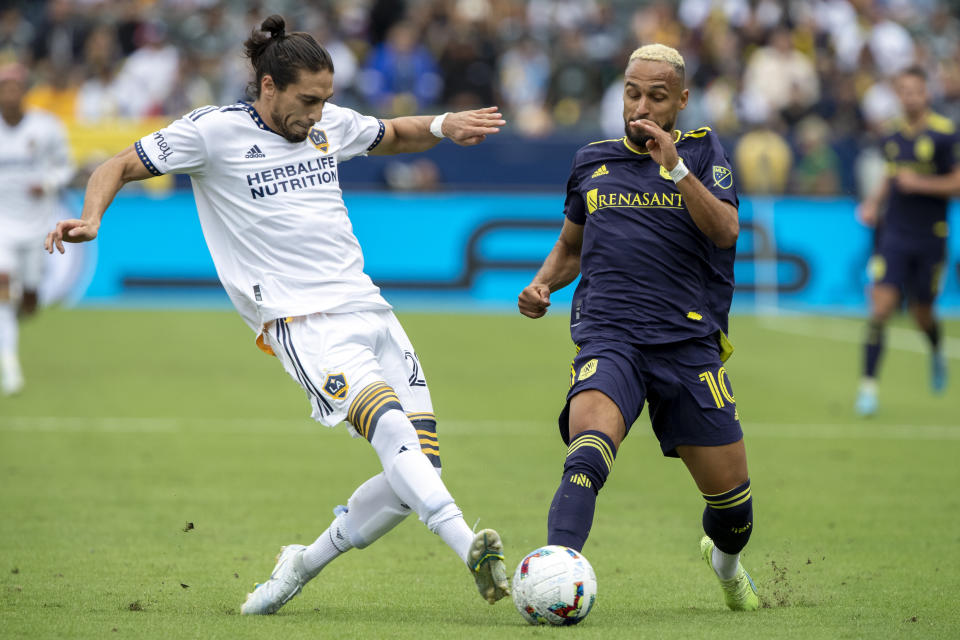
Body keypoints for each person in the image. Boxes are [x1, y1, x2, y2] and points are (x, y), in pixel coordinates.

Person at [45, 15, 509, 614]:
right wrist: (93, 218)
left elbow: (392, 133)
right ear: (267, 86)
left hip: (368, 305)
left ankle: (301, 564)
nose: (318, 114)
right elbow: (117, 166)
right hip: (301, 322)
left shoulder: (326, 125)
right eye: (307, 100)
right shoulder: (210, 132)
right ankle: (469, 543)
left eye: (325, 101)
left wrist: (446, 125)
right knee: (391, 430)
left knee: (417, 470)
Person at [517, 44, 758, 611]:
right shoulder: (591, 160)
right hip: (610, 334)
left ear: (681, 99)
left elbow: (725, 230)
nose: (640, 105)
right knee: (588, 450)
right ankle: (556, 573)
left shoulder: (701, 153)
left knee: (734, 510)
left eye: (655, 95)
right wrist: (544, 283)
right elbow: (573, 245)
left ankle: (725, 564)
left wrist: (672, 165)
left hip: (687, 343)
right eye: (632, 92)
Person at [855, 65, 960, 416]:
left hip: (932, 236)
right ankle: (868, 389)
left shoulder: (946, 134)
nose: (910, 97)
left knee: (922, 313)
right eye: (904, 91)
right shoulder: (890, 136)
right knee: (880, 307)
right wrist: (872, 203)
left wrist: (921, 184)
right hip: (895, 233)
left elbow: (956, 183)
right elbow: (891, 174)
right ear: (899, 95)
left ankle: (935, 351)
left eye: (916, 90)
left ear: (926, 94)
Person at [0, 62, 74, 396]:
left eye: (15, 87)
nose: (10, 94)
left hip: (36, 226)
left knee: (28, 299)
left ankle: (8, 331)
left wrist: (46, 183)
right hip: (2, 224)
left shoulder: (46, 127)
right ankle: (10, 366)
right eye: (5, 87)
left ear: (24, 91)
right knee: (2, 285)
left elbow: (66, 166)